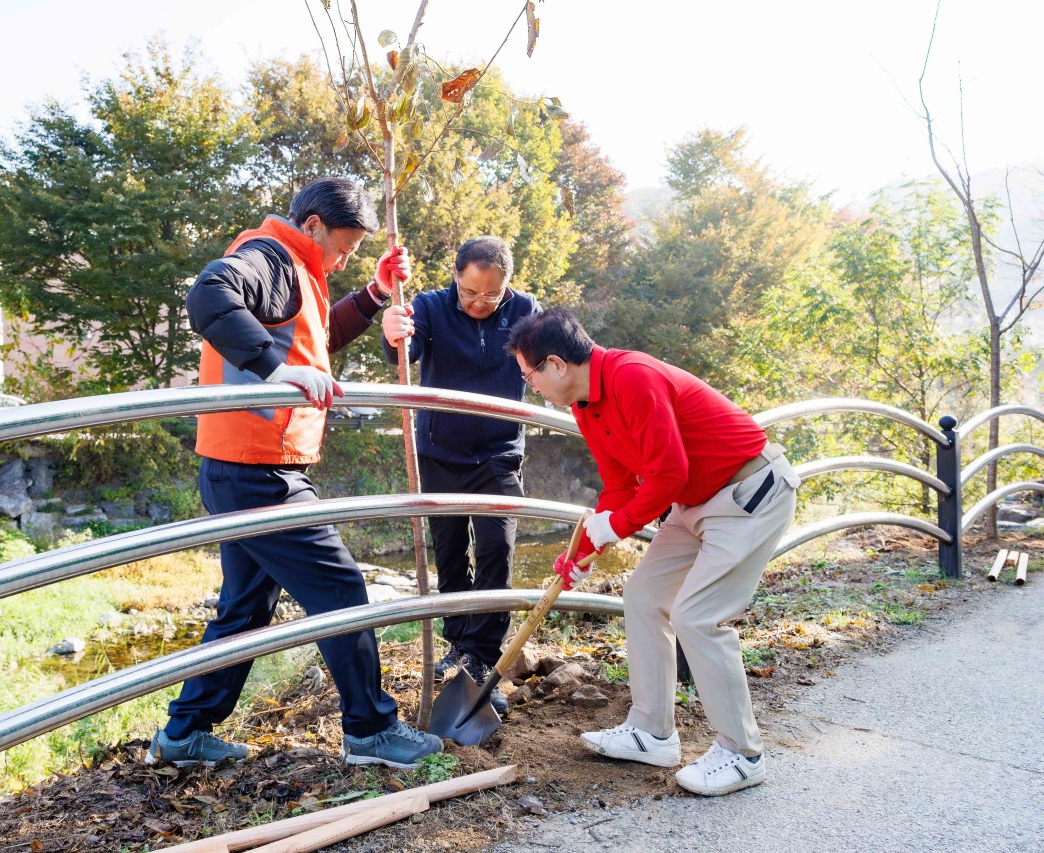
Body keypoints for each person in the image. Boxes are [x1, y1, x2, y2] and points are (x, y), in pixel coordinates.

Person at [147, 177, 443, 770]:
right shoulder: (268, 255)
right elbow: (208, 298)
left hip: (246, 466)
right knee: (341, 590)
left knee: (244, 609)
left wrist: (375, 293)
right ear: (312, 225)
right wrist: (273, 368)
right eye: (343, 247)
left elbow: (318, 342)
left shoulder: (299, 271)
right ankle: (370, 730)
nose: (343, 258)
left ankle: (184, 734)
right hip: (260, 473)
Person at [504, 308, 800, 796]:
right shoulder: (585, 404)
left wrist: (613, 528)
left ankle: (743, 755)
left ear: (556, 364)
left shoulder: (631, 377)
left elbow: (668, 474)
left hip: (747, 494)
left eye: (529, 373)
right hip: (692, 501)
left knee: (697, 616)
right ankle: (651, 733)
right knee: (642, 595)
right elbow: (619, 486)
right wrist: (581, 551)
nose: (529, 384)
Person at [380, 236, 540, 716]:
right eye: (469, 292)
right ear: (455, 277)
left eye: (489, 296)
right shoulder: (428, 306)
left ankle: (483, 660)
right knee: (450, 552)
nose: (477, 303)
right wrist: (393, 332)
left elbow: (548, 361)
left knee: (498, 548)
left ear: (506, 287)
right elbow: (403, 355)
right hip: (440, 452)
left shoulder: (526, 309)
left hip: (498, 453)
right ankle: (457, 639)